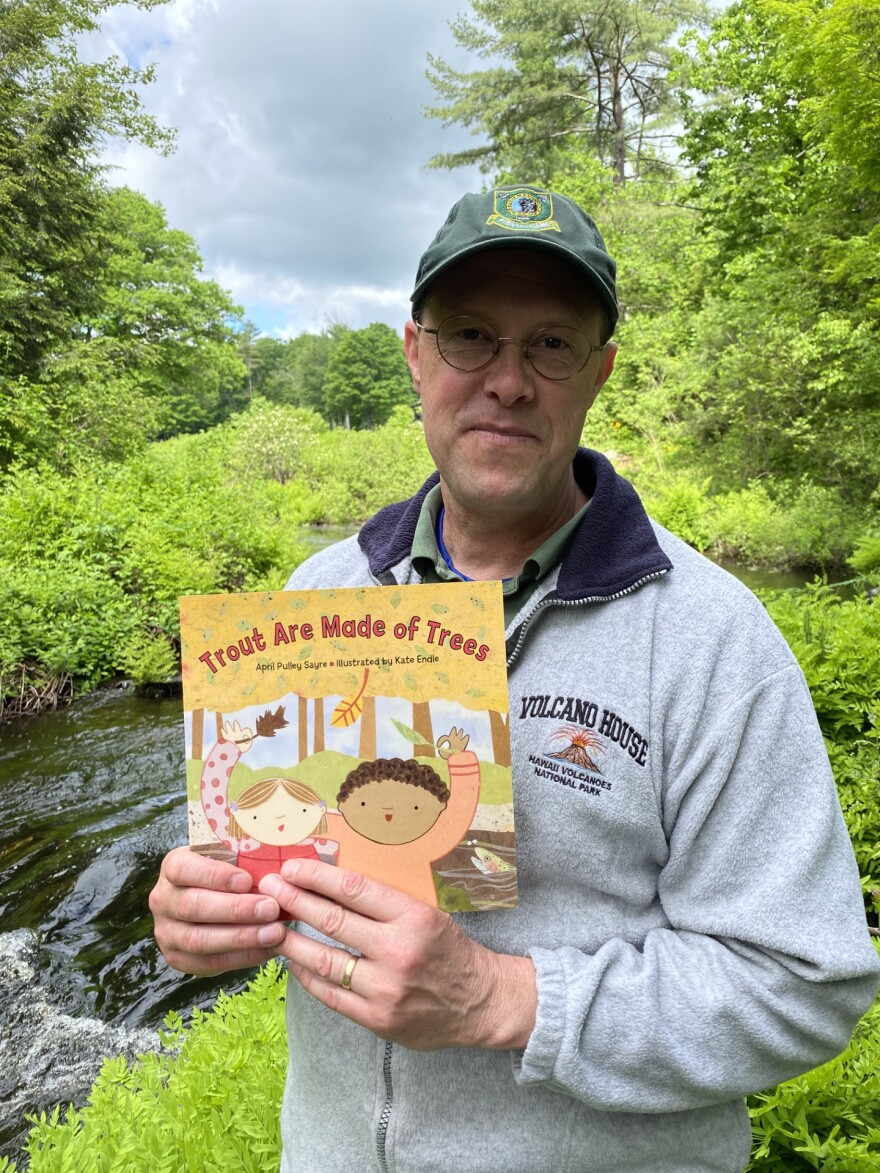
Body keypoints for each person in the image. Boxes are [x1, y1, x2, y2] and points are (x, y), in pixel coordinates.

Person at [150, 184, 880, 1172]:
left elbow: (804, 982)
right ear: (414, 354)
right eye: (470, 337)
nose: (507, 379)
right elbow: (280, 862)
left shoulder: (713, 640)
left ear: (599, 373)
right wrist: (210, 913)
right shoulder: (314, 599)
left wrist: (508, 1000)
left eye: (550, 344)